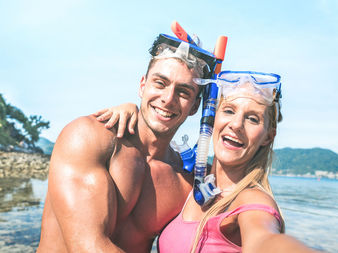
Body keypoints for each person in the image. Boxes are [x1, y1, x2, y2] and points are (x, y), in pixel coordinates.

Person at [37, 33, 218, 253]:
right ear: (143, 86)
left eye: (183, 91)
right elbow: (87, 246)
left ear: (195, 107)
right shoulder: (89, 137)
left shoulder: (186, 183)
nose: (168, 99)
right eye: (160, 83)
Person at [102, 71, 320, 252]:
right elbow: (152, 156)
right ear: (213, 118)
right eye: (229, 111)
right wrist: (133, 112)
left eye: (253, 118)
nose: (236, 124)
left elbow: (265, 241)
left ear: (268, 136)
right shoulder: (193, 181)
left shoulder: (252, 202)